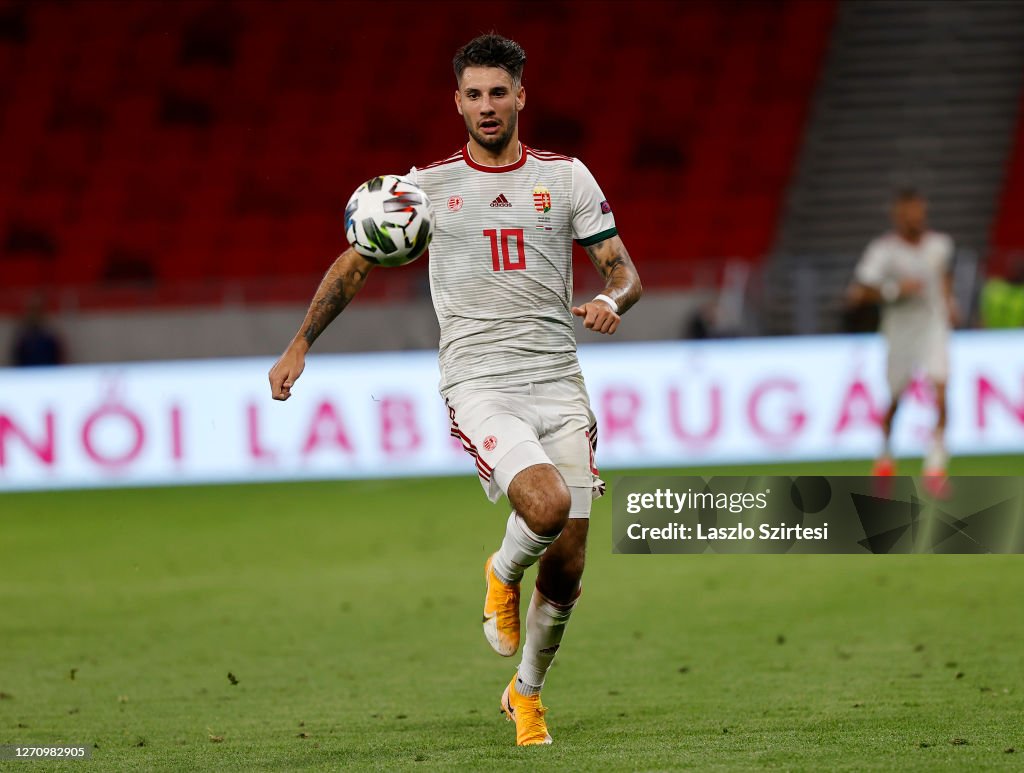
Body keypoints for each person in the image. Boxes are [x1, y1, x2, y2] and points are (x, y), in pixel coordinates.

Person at [267, 34, 642, 746]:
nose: (487, 105)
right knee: (547, 504)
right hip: (480, 380)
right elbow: (355, 263)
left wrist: (612, 303)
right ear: (457, 102)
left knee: (568, 558)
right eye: (474, 94)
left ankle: (525, 693)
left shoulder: (566, 178)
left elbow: (623, 271)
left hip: (559, 378)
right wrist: (301, 341)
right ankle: (500, 574)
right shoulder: (424, 190)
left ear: (521, 96)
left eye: (499, 92)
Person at [848, 189, 957, 482]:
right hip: (900, 332)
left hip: (933, 326)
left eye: (920, 211)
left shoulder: (940, 245)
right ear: (898, 216)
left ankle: (935, 466)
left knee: (942, 389)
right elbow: (858, 291)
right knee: (896, 398)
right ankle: (884, 454)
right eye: (910, 212)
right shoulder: (883, 251)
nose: (917, 217)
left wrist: (949, 303)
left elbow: (945, 275)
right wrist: (895, 290)